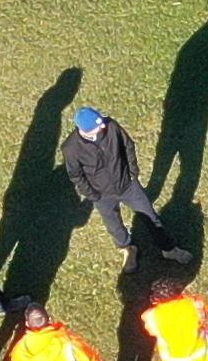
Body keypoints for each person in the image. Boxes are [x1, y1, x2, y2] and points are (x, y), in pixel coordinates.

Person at [59, 101, 161, 252]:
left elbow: (128, 145)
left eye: (101, 122)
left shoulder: (111, 126)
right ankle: (127, 248)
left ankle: (168, 248)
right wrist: (93, 195)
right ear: (85, 131)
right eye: (97, 126)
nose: (102, 127)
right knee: (114, 226)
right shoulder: (71, 148)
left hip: (127, 185)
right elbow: (76, 175)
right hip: (102, 195)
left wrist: (133, 173)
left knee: (151, 217)